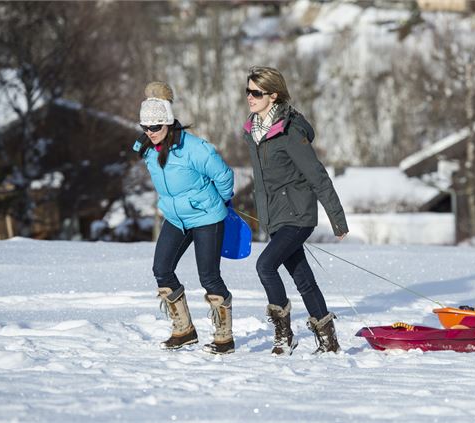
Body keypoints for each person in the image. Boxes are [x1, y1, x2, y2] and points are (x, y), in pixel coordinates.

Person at [242, 66, 349, 355]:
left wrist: (337, 220)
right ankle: (329, 341)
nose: (249, 97)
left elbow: (318, 176)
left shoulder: (290, 132)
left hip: (298, 215)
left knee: (265, 266)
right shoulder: (253, 131)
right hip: (274, 217)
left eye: (256, 92)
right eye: (248, 91)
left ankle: (284, 334)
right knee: (302, 277)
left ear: (273, 96)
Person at [133, 81, 235, 354]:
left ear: (168, 124)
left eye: (156, 127)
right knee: (162, 270)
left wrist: (221, 201)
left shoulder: (195, 149)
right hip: (176, 218)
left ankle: (224, 338)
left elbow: (224, 176)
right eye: (145, 127)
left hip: (206, 217)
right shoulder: (147, 147)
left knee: (209, 277)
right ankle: (184, 331)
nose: (150, 132)